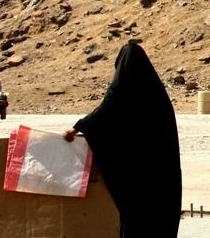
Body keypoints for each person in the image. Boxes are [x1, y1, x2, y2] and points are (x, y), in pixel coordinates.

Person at [64, 43, 181, 238]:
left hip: (138, 179)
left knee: (136, 220)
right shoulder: (158, 96)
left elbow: (108, 108)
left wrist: (79, 126)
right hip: (161, 177)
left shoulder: (121, 92)